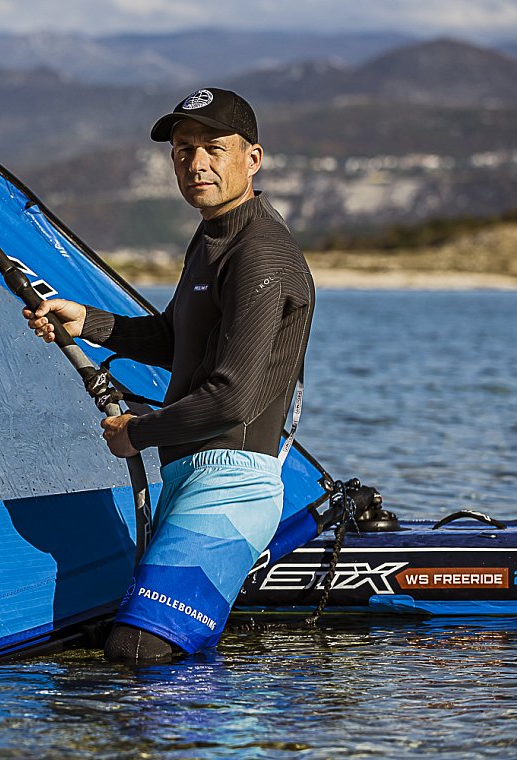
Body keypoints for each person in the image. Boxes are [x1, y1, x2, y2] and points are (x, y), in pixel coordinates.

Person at [25, 88, 315, 661]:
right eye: (183, 151)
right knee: (147, 652)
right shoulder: (212, 239)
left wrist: (138, 432)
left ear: (252, 158)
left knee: (138, 651)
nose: (197, 165)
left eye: (213, 148)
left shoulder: (259, 251)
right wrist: (88, 321)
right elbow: (178, 342)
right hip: (191, 476)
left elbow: (232, 398)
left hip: (231, 485)